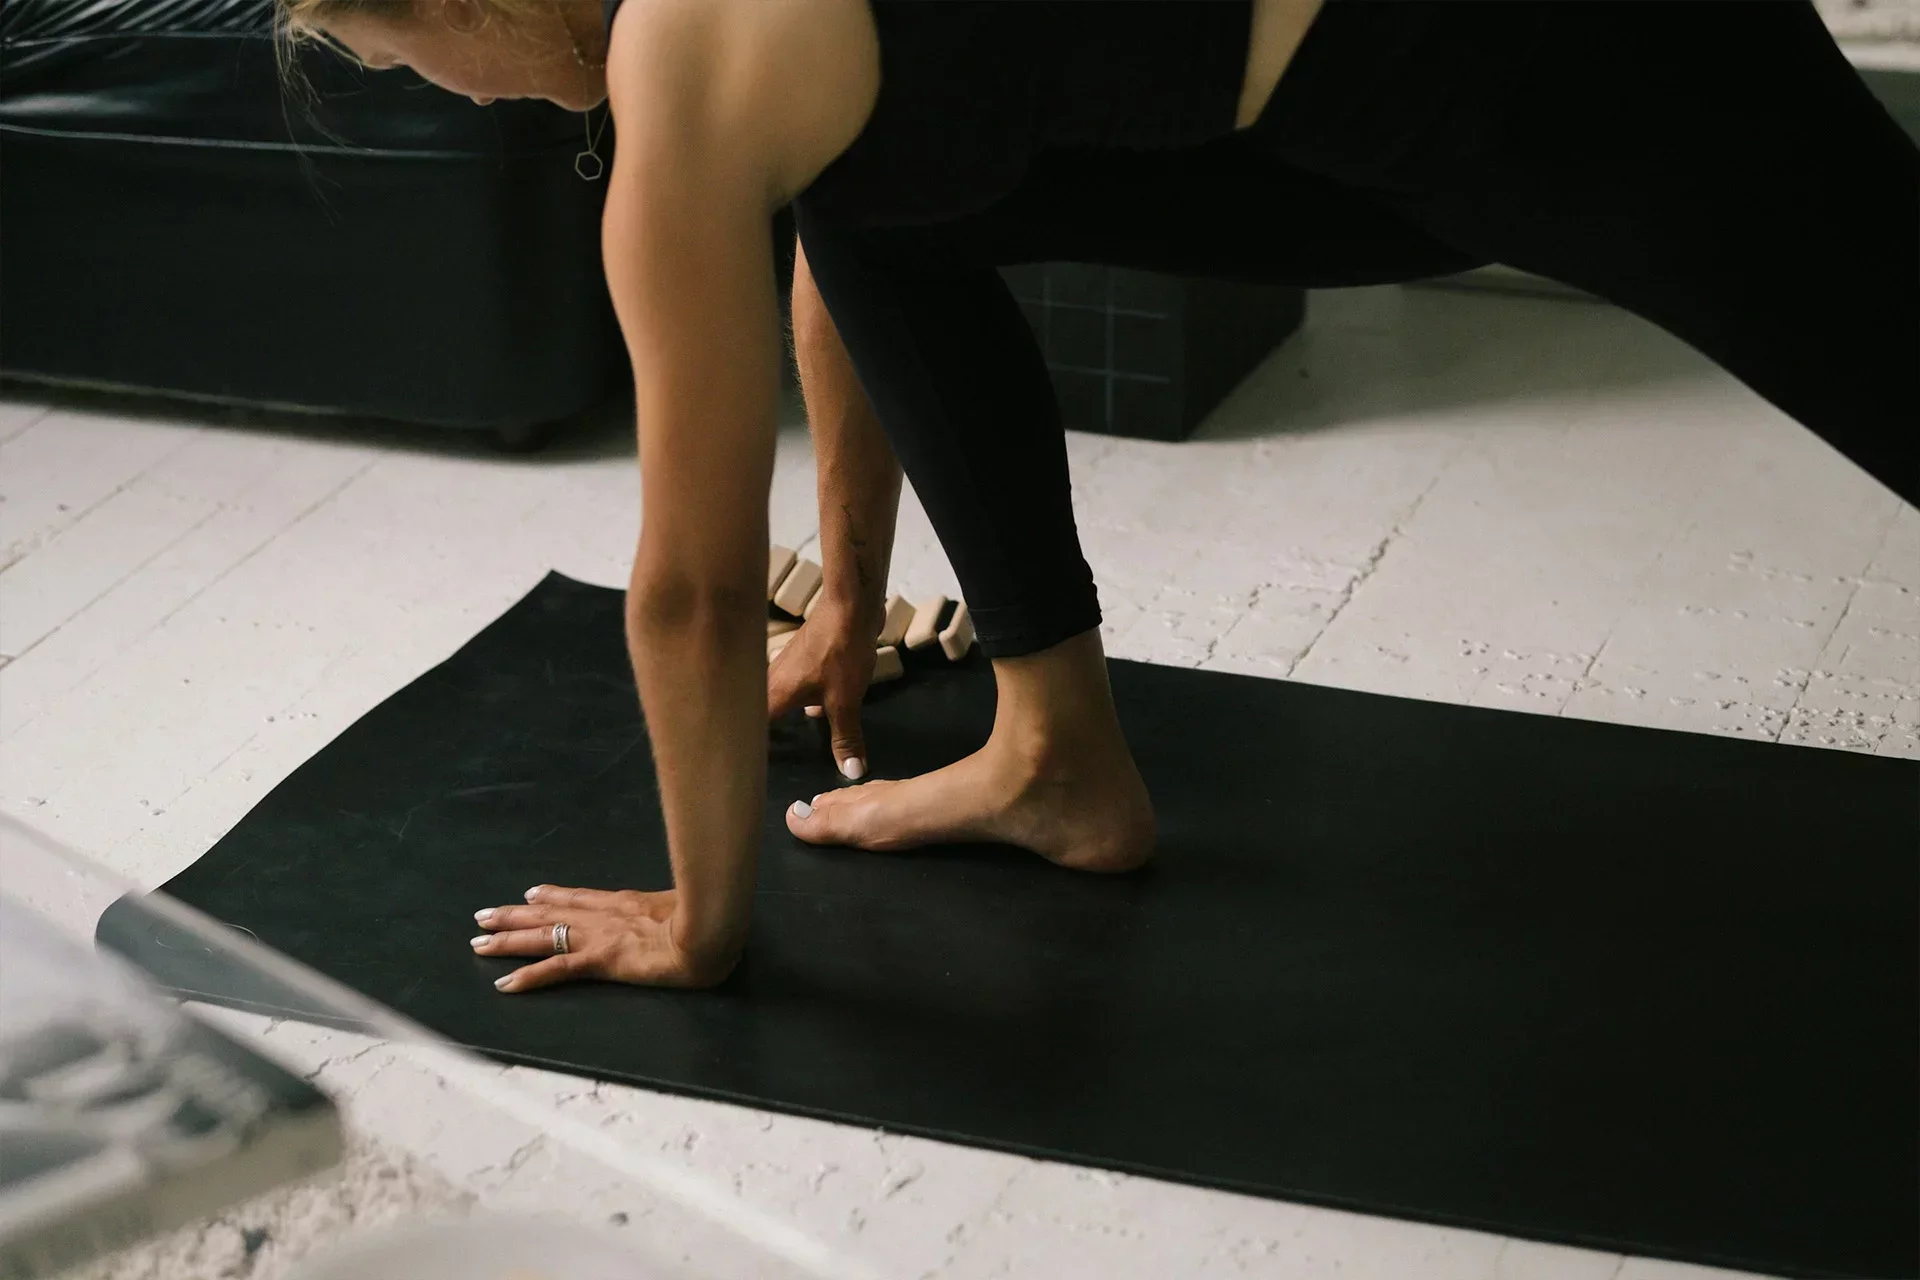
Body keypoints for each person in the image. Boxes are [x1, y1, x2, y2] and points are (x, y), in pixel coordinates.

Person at [285, 0, 1918, 993]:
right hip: (1368, 108)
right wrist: (852, 593)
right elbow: (844, 219)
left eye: (404, 57)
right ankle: (1055, 751)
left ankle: (1053, 751)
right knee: (884, 215)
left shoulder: (680, 52)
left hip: (1547, 64)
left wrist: (703, 925)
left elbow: (693, 592)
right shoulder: (735, 66)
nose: (456, 95)